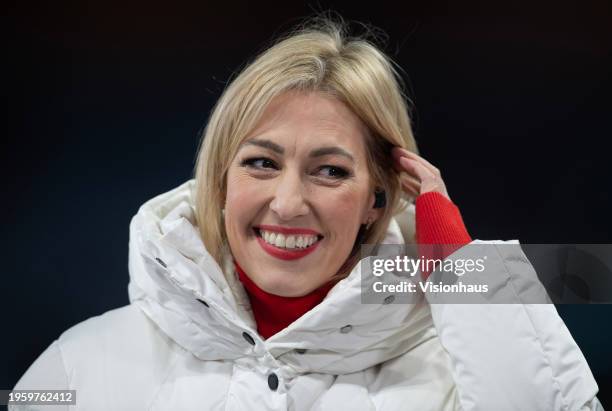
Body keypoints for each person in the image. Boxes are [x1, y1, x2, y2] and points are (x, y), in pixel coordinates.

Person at [12, 16, 603, 411]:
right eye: (262, 163)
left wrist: (462, 269)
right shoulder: (77, 367)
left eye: (330, 171)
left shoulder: (458, 366)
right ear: (219, 180)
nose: (289, 204)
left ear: (379, 199)